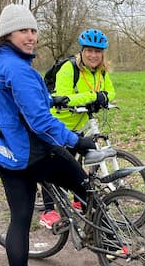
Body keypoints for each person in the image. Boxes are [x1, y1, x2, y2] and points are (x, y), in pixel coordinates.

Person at [0, 4, 97, 266]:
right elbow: (40, 122)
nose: (31, 36)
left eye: (33, 30)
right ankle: (104, 239)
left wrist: (51, 98)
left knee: (19, 219)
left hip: (7, 155)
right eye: (23, 31)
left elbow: (22, 103)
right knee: (86, 187)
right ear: (8, 34)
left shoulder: (1, 62)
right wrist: (76, 141)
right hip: (35, 153)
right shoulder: (19, 70)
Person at [39, 28, 116, 229]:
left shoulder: (101, 71)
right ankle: (49, 212)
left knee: (74, 165)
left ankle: (77, 200)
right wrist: (94, 96)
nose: (93, 55)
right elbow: (64, 98)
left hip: (77, 127)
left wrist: (104, 96)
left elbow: (111, 91)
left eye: (98, 52)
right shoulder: (69, 68)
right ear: (82, 51)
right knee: (52, 169)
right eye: (89, 50)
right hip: (56, 126)